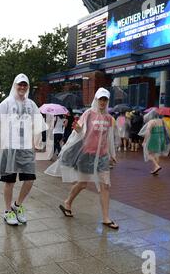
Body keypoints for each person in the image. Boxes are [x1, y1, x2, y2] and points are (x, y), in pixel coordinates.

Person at [45, 88, 119, 230]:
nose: (102, 102)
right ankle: (67, 202)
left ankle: (105, 218)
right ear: (96, 100)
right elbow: (79, 132)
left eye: (105, 100)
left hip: (102, 156)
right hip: (87, 155)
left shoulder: (109, 118)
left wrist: (112, 154)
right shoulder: (88, 114)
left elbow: (109, 138)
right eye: (100, 99)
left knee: (105, 186)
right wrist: (78, 129)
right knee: (83, 184)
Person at [0, 73, 47, 226]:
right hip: (10, 147)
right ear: (15, 85)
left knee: (30, 179)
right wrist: (0, 142)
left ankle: (17, 205)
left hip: (26, 148)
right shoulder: (7, 103)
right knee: (10, 182)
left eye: (25, 84)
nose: (22, 87)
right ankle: (7, 211)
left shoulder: (31, 104)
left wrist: (35, 142)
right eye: (20, 84)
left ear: (27, 87)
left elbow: (37, 124)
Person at [138, 109, 170, 175]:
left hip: (153, 138)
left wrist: (144, 141)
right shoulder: (161, 121)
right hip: (161, 138)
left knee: (148, 153)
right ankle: (156, 168)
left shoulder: (151, 121)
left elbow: (148, 131)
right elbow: (166, 130)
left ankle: (157, 166)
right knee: (157, 153)